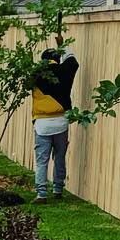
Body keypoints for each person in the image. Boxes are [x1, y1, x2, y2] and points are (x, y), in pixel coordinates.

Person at [31, 46, 80, 203]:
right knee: (59, 157)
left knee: (41, 160)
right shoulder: (64, 71)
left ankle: (41, 193)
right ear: (58, 59)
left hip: (42, 124)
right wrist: (62, 46)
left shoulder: (36, 75)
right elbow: (73, 62)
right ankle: (58, 189)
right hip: (61, 122)